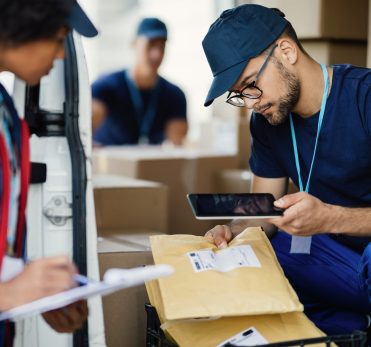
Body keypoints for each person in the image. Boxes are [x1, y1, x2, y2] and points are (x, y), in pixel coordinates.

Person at [202, 4, 371, 336]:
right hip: (329, 252)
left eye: (251, 83)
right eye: (238, 94)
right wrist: (233, 232)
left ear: (287, 51)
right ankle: (346, 334)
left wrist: (331, 217)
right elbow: (261, 213)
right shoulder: (266, 121)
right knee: (268, 253)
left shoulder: (364, 98)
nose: (250, 102)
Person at [0, 0, 98, 344]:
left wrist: (28, 285)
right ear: (23, 27)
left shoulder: (6, 114)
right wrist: (8, 295)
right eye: (58, 40)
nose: (60, 56)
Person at [92, 17, 188, 146]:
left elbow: (177, 146)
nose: (157, 54)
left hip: (152, 165)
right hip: (111, 164)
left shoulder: (175, 95)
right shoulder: (105, 87)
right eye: (150, 45)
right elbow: (84, 129)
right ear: (134, 44)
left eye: (162, 46)